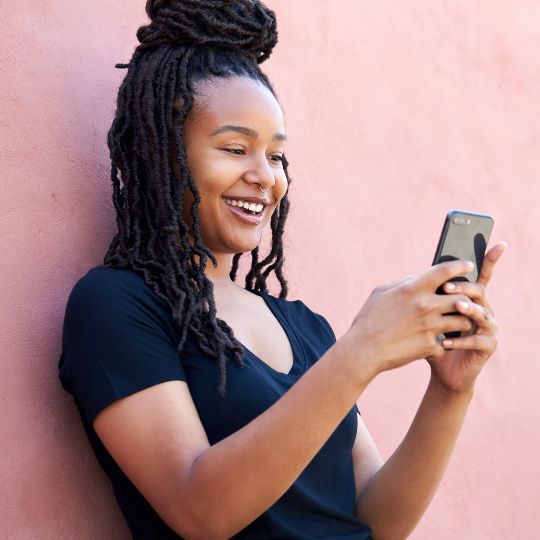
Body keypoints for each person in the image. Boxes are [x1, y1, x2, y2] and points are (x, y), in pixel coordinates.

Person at [58, 1, 506, 539]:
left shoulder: (306, 327)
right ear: (163, 152)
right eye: (235, 148)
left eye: (276, 156)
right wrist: (361, 352)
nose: (264, 176)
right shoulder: (117, 304)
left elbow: (379, 525)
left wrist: (450, 392)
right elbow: (199, 512)